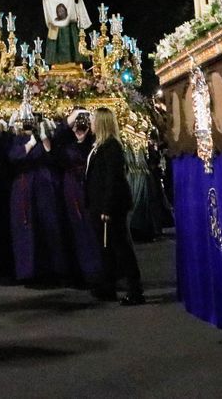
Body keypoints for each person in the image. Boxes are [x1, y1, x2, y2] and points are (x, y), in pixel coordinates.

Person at [84, 107, 144, 306]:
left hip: (110, 206)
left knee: (121, 248)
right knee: (106, 247)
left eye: (93, 119)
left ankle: (135, 291)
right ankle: (107, 286)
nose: (90, 123)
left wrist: (107, 208)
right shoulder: (99, 145)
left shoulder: (111, 147)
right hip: (99, 203)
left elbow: (113, 179)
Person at [7, 114, 69, 284]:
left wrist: (44, 139)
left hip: (43, 184)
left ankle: (52, 270)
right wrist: (31, 142)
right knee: (27, 226)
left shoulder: (45, 138)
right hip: (24, 185)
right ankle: (29, 271)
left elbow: (52, 157)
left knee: (48, 225)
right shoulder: (18, 139)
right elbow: (14, 156)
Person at [54, 109, 104, 289]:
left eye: (83, 126)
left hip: (90, 189)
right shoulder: (64, 144)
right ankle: (77, 274)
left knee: (92, 230)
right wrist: (73, 116)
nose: (79, 128)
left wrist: (92, 122)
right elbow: (58, 135)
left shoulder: (94, 144)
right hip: (70, 190)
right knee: (73, 230)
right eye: (76, 125)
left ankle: (96, 273)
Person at [40, 0, 90, 66]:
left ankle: (72, 61)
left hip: (69, 20)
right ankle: (57, 62)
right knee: (55, 41)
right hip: (56, 23)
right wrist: (46, 0)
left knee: (70, 39)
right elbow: (49, 0)